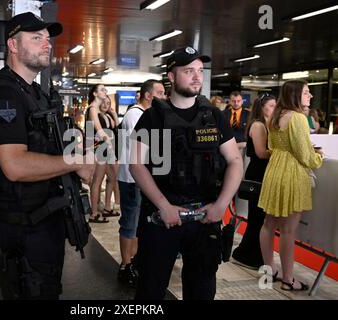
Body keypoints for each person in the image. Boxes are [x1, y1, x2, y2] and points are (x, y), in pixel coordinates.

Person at [0, 12, 94, 299]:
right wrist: (74, 162)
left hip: (45, 217)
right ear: (13, 46)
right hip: (24, 224)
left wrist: (74, 152)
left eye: (48, 39)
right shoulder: (2, 94)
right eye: (36, 38)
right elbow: (14, 166)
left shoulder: (36, 93)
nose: (47, 45)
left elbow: (47, 145)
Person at [129, 46, 243, 300]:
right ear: (170, 76)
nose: (196, 77)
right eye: (188, 70)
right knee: (150, 291)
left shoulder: (213, 117)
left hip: (205, 220)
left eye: (200, 71)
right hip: (161, 219)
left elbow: (235, 160)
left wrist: (220, 206)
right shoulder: (152, 118)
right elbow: (135, 164)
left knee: (202, 292)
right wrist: (164, 206)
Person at [258, 80, 323, 291]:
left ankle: (269, 273)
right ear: (295, 94)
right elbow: (305, 156)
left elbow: (273, 146)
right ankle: (288, 280)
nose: (310, 95)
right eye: (306, 92)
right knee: (288, 231)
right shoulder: (298, 118)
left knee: (268, 225)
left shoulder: (276, 116)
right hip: (292, 175)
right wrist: (318, 157)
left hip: (274, 172)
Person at [117, 79, 165, 287]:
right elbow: (152, 141)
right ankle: (125, 265)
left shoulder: (143, 114)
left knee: (136, 223)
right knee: (129, 222)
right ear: (148, 95)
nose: (164, 97)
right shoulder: (136, 114)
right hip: (131, 178)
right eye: (161, 93)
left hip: (138, 176)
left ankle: (133, 262)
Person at [231, 93, 276, 269]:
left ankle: (252, 254)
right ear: (262, 107)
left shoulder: (267, 125)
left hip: (263, 172)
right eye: (271, 105)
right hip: (258, 173)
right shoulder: (258, 125)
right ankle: (248, 255)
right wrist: (282, 152)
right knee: (257, 217)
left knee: (260, 217)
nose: (274, 109)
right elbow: (261, 153)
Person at [85, 84, 117, 222]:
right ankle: (94, 213)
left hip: (103, 148)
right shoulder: (92, 108)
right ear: (95, 94)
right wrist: (109, 142)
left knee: (112, 177)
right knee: (97, 181)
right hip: (99, 148)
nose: (105, 92)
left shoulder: (97, 110)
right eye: (102, 89)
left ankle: (106, 208)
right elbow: (99, 130)